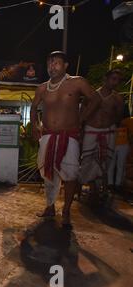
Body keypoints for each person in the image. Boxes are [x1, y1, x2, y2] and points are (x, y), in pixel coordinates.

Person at [30, 51, 101, 230]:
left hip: (69, 136)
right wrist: (34, 125)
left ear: (66, 65)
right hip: (47, 136)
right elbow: (33, 108)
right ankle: (50, 206)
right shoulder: (42, 88)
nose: (52, 67)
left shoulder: (77, 82)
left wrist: (82, 118)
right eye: (49, 63)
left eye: (56, 63)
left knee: (70, 175)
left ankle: (67, 211)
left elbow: (95, 99)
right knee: (47, 173)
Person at [80, 69, 124, 198]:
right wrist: (81, 131)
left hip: (108, 131)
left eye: (118, 80)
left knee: (105, 161)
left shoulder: (118, 98)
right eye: (113, 79)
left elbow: (118, 118)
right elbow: (83, 113)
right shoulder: (92, 95)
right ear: (105, 79)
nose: (115, 82)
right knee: (88, 160)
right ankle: (90, 186)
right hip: (91, 130)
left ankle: (101, 187)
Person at [109, 112, 132, 192]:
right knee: (115, 165)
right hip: (115, 144)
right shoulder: (112, 121)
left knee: (119, 165)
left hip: (122, 145)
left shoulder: (128, 121)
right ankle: (112, 184)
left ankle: (116, 184)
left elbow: (130, 135)